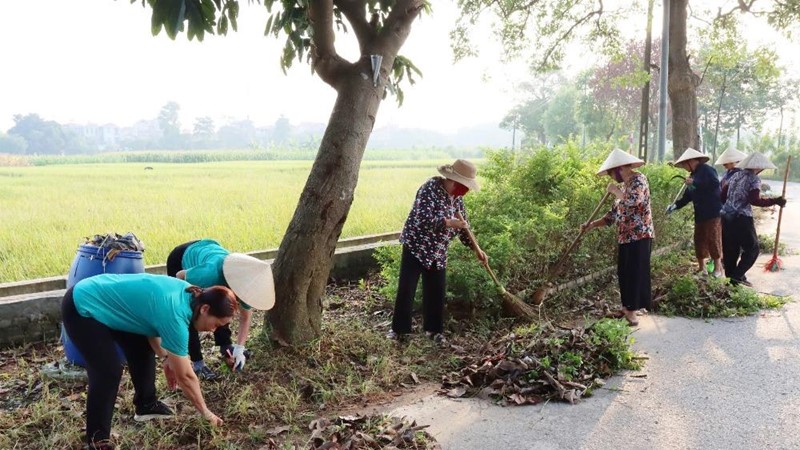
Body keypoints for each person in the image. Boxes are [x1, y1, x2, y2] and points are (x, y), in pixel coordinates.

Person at [61, 273, 233, 450]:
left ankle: (146, 405)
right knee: (108, 371)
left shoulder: (192, 295)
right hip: (82, 305)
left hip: (110, 301)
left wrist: (166, 357)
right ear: (205, 309)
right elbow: (186, 377)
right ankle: (97, 441)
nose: (214, 331)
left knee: (141, 347)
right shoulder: (176, 313)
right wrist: (205, 412)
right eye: (216, 324)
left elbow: (149, 319)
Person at [388, 159, 487, 344]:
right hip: (416, 245)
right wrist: (448, 222)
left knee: (436, 290)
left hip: (438, 250)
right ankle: (399, 331)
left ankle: (434, 330)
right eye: (463, 186)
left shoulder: (457, 199)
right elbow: (423, 219)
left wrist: (477, 249)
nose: (464, 191)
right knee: (407, 288)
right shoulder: (429, 189)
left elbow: (464, 229)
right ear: (452, 180)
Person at [166, 239, 275, 380]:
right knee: (193, 312)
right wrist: (198, 294)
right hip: (181, 258)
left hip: (210, 251)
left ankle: (226, 346)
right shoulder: (210, 274)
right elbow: (179, 276)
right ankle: (198, 363)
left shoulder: (246, 284)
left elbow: (246, 317)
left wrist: (239, 349)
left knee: (224, 307)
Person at [581, 149, 654, 326]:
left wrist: (615, 192)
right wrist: (591, 225)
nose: (611, 178)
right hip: (625, 236)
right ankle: (626, 306)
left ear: (620, 169)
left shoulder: (639, 180)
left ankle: (632, 311)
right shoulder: (623, 187)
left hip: (640, 234)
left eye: (612, 174)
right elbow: (612, 215)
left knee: (635, 272)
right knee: (624, 272)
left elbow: (633, 201)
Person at [720, 152, 787, 286]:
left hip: (726, 217)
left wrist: (731, 203)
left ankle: (731, 281)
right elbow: (754, 200)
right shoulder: (754, 179)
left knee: (731, 249)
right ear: (759, 167)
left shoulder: (734, 175)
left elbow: (722, 196)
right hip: (742, 218)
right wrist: (776, 201)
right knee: (752, 249)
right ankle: (736, 276)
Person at [666, 148, 724, 277]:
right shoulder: (692, 175)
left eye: (684, 164)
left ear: (691, 161)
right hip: (700, 213)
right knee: (699, 239)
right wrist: (674, 206)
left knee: (713, 238)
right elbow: (687, 197)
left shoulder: (707, 170)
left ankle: (717, 269)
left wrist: (696, 182)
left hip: (712, 212)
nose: (684, 168)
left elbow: (715, 184)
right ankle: (701, 268)